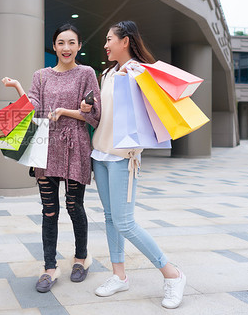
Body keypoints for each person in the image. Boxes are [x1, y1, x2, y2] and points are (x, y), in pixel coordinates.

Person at [80, 20, 186, 309]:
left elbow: (154, 110)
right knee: (111, 218)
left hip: (125, 158)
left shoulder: (141, 71)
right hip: (100, 153)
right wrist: (88, 109)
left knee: (125, 222)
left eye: (109, 39)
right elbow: (104, 117)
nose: (105, 45)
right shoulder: (106, 73)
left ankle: (172, 274)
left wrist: (138, 77)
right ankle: (119, 276)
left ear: (125, 41)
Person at [2, 23, 101, 293]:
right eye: (60, 43)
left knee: (73, 206)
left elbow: (94, 115)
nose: (66, 48)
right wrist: (19, 88)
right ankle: (49, 267)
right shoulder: (41, 76)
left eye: (71, 43)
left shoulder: (86, 74)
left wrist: (67, 111)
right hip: (45, 147)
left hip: (75, 146)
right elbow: (32, 108)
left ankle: (81, 258)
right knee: (49, 210)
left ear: (79, 46)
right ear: (54, 46)